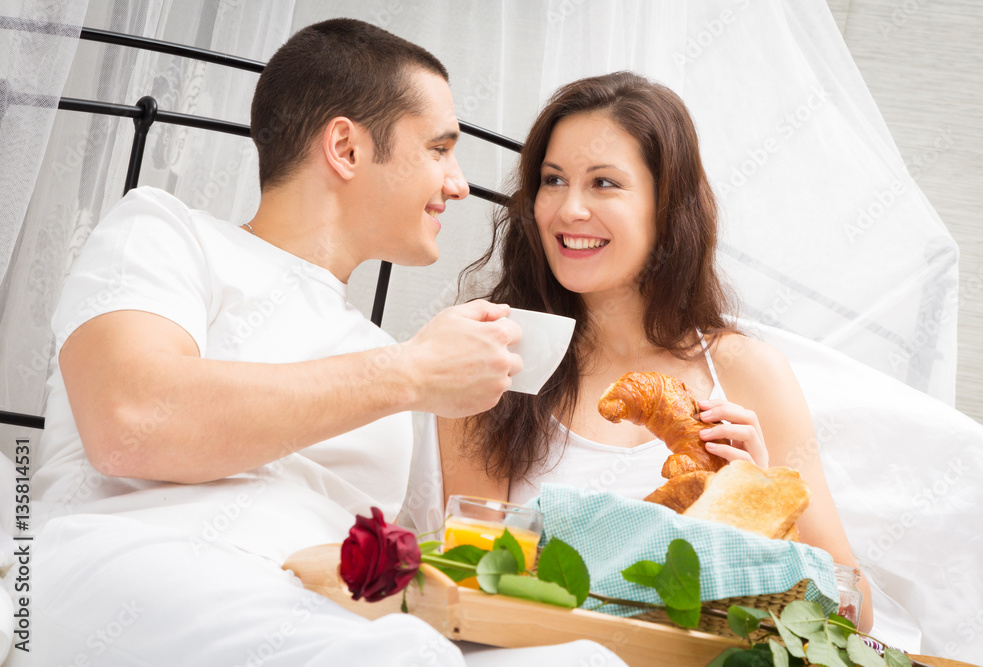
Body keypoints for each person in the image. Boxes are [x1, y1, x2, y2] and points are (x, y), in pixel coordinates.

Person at [17, 19, 623, 667]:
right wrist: (411, 373)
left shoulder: (382, 355)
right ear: (346, 148)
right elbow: (130, 423)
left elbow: (438, 562)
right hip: (138, 578)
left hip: (312, 614)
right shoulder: (166, 233)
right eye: (440, 149)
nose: (459, 183)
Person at [438, 71, 874, 633]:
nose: (568, 209)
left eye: (604, 184)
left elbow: (854, 615)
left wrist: (767, 507)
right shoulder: (497, 354)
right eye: (552, 180)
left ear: (666, 207)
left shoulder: (747, 373)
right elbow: (474, 585)